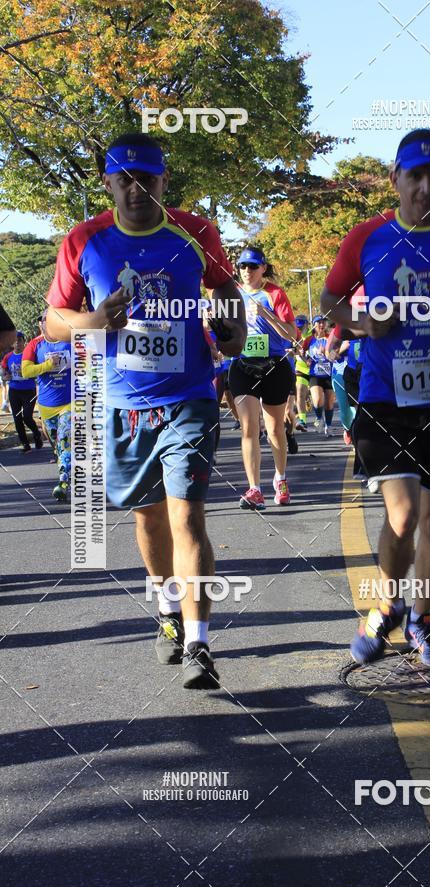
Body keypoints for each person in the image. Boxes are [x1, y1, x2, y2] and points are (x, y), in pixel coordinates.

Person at [45, 132, 246, 690]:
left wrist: (234, 332)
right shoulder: (84, 240)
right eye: (124, 181)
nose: (137, 191)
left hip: (191, 396)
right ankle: (165, 608)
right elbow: (53, 321)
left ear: (164, 182)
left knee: (187, 515)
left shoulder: (195, 232)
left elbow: (226, 288)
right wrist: (95, 321)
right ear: (107, 184)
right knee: (149, 516)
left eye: (148, 181)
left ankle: (200, 642)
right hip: (123, 403)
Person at [320, 128, 430, 668]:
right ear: (395, 180)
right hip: (385, 397)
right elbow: (330, 301)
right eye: (416, 176)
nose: (426, 187)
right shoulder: (366, 237)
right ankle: (384, 606)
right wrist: (360, 324)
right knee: (401, 517)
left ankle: (422, 619)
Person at [227, 247, 297, 510]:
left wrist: (266, 314)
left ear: (263, 268)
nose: (247, 271)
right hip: (242, 364)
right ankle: (254, 488)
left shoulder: (275, 294)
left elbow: (292, 335)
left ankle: (280, 477)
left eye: (252, 266)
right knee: (249, 427)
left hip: (274, 365)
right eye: (242, 266)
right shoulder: (231, 294)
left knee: (276, 429)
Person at [21, 313, 72, 500]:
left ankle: (63, 482)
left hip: (70, 403)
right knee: (58, 447)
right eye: (44, 320)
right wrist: (48, 365)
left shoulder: (71, 339)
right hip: (46, 406)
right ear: (40, 324)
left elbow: (89, 362)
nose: (47, 323)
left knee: (65, 439)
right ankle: (65, 472)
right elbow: (26, 371)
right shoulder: (34, 345)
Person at [1, 331, 44, 452]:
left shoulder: (29, 354)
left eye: (20, 340)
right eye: (15, 341)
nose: (17, 343)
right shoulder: (8, 357)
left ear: (24, 342)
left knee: (27, 417)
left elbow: (37, 369)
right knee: (17, 418)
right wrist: (5, 376)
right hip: (14, 391)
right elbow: (3, 373)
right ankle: (25, 444)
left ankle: (36, 434)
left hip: (29, 390)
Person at [302, 316, 336, 436]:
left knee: (329, 403)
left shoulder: (330, 338)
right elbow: (301, 352)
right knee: (317, 400)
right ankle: (318, 418)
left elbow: (335, 355)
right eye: (319, 323)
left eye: (323, 322)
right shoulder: (309, 339)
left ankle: (329, 426)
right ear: (314, 324)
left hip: (329, 374)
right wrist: (306, 359)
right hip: (315, 374)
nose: (321, 325)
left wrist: (326, 353)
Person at [293, 314, 311, 431]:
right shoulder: (294, 336)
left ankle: (320, 417)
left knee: (320, 399)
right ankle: (303, 421)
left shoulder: (313, 335)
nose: (299, 329)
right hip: (300, 369)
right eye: (297, 326)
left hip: (315, 370)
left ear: (307, 324)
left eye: (301, 326)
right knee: (299, 393)